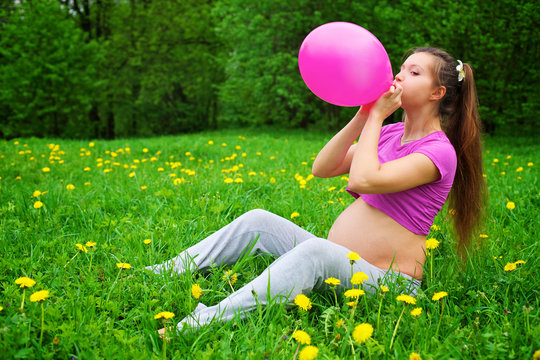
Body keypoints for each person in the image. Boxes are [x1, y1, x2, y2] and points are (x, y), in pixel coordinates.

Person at [146, 47, 486, 335]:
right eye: (401, 68)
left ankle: (203, 321)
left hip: (388, 284)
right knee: (258, 220)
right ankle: (165, 271)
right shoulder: (388, 134)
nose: (398, 76)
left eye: (413, 73)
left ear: (436, 93)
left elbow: (363, 180)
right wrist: (364, 115)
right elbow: (323, 167)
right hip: (341, 261)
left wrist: (377, 119)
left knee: (317, 253)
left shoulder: (438, 151)